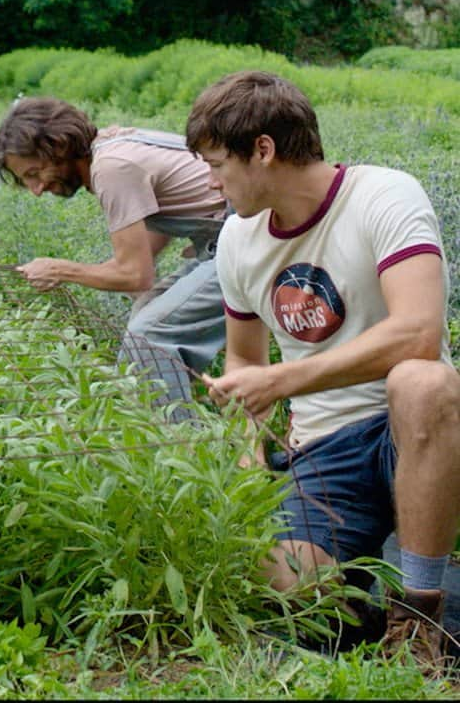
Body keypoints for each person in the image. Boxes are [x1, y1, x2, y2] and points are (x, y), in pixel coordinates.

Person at [185, 70, 460, 669]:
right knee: (272, 576)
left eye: (216, 166)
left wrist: (281, 382)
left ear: (263, 150)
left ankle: (419, 617)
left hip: (408, 427)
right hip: (325, 445)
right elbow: (244, 360)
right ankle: (383, 606)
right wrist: (245, 452)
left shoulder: (384, 195)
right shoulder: (237, 239)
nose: (210, 184)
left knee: (423, 379)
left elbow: (419, 331)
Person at [0, 97, 228, 413]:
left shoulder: (110, 168)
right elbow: (143, 261)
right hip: (227, 240)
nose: (36, 189)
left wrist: (60, 270)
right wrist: (146, 295)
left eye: (35, 173)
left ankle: (179, 446)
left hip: (251, 240)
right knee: (146, 316)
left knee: (149, 337)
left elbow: (135, 274)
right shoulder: (112, 149)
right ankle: (174, 412)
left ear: (58, 147)